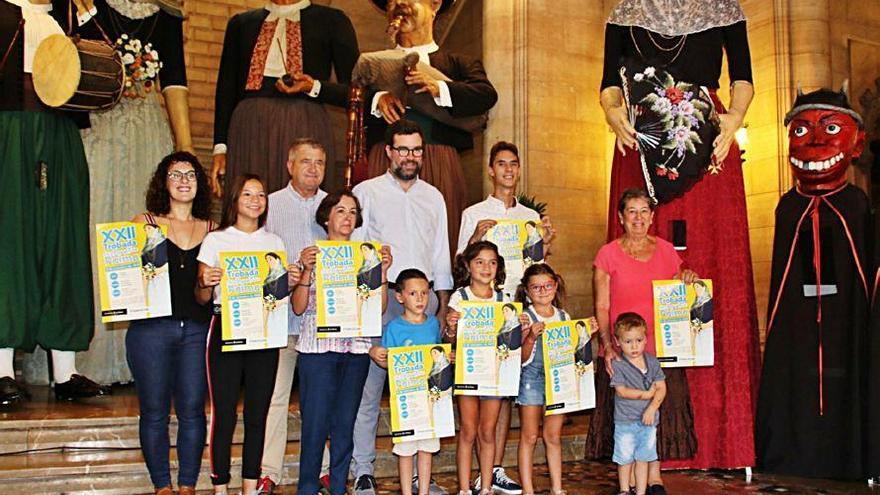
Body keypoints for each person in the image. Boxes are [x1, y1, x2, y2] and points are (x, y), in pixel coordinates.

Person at [597, 0, 760, 474]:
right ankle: (636, 444)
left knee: (713, 270)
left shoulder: (725, 9)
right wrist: (613, 113)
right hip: (640, 144)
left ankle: (722, 439)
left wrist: (734, 119)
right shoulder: (622, 13)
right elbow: (609, 82)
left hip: (708, 143)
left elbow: (743, 77)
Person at [58, 0, 194, 384]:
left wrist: (184, 153)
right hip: (98, 128)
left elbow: (176, 85)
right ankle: (82, 360)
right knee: (97, 232)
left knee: (149, 242)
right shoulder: (86, 4)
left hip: (149, 133)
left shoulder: (168, 16)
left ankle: (146, 360)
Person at [757, 87, 874, 480]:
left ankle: (851, 455)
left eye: (831, 128)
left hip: (846, 324)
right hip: (799, 323)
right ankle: (795, 454)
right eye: (803, 131)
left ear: (856, 144)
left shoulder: (856, 205)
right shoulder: (788, 207)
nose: (818, 141)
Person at [0, 0, 107, 406]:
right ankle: (2, 370)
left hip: (60, 130)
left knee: (65, 242)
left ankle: (65, 371)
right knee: (11, 241)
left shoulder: (67, 11)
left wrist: (84, 15)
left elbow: (105, 65)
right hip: (9, 129)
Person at [350, 119, 453, 495]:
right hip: (383, 300)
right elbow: (357, 254)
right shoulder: (367, 192)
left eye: (416, 150)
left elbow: (441, 253)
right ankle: (363, 470)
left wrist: (440, 308)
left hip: (425, 305)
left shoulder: (434, 196)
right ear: (389, 152)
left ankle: (418, 477)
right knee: (370, 390)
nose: (409, 156)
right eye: (403, 149)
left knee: (423, 391)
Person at [456, 141, 557, 494]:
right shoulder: (474, 212)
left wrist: (546, 243)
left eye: (514, 164)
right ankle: (486, 471)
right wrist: (476, 236)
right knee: (492, 390)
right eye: (501, 164)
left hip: (521, 307)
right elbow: (461, 261)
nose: (508, 171)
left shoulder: (530, 218)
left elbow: (537, 265)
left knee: (510, 389)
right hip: (487, 309)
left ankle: (495, 468)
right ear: (490, 170)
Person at [363, 0, 498, 255]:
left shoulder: (459, 63)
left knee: (441, 240)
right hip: (385, 159)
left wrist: (440, 88)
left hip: (439, 160)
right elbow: (351, 97)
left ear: (435, 5)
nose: (399, 3)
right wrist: (377, 98)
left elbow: (485, 95)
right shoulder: (374, 65)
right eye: (392, 0)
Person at [587, 188, 697, 494]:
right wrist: (607, 345)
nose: (638, 217)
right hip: (625, 350)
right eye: (631, 211)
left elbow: (679, 294)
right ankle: (631, 482)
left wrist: (688, 277)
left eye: (644, 211)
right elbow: (603, 305)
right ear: (621, 217)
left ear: (652, 217)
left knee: (659, 410)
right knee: (629, 415)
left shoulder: (666, 250)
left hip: (660, 347)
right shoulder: (607, 254)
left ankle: (655, 478)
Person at [196, 174, 299, 495]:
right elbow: (200, 297)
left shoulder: (275, 243)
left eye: (261, 194)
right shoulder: (216, 240)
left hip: (264, 334)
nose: (256, 200)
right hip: (226, 328)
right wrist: (205, 282)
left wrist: (291, 282)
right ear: (235, 200)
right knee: (223, 413)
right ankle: (220, 487)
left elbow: (276, 296)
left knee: (258, 413)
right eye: (248, 194)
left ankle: (250, 487)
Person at [127, 152, 215, 495]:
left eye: (190, 174)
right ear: (163, 182)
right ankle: (162, 486)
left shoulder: (213, 230)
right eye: (175, 174)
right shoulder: (142, 223)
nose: (183, 180)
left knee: (193, 410)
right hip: (150, 331)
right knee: (154, 411)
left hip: (197, 331)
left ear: (200, 184)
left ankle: (188, 485)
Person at [294, 190, 392, 495]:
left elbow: (379, 307)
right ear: (326, 217)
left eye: (352, 212)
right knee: (314, 427)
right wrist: (307, 271)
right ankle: (308, 489)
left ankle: (338, 487)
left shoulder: (367, 257)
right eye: (340, 210)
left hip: (356, 350)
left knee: (344, 426)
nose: (347, 217)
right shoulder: (312, 254)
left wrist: (384, 273)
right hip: (317, 350)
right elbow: (298, 307)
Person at [210, 0, 359, 197]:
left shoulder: (332, 20)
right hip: (250, 129)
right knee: (248, 200)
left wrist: (314, 86)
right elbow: (226, 90)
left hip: (305, 124)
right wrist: (220, 147)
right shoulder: (241, 23)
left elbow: (355, 92)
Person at [257, 137, 329, 493]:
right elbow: (256, 259)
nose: (313, 168)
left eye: (319, 162)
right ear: (290, 165)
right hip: (283, 319)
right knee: (276, 398)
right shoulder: (268, 205)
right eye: (305, 161)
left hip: (324, 324)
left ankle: (324, 468)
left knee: (321, 400)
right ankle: (269, 471)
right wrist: (284, 271)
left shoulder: (335, 208)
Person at [444, 241, 530, 495]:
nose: (486, 267)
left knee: (488, 431)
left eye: (492, 262)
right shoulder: (460, 297)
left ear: (498, 267)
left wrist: (521, 328)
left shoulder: (504, 299)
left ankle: (486, 486)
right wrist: (450, 327)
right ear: (468, 266)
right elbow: (451, 339)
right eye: (479, 262)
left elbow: (512, 342)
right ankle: (462, 488)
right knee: (468, 430)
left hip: (495, 374)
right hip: (468, 371)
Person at [369, 268, 444, 495]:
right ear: (400, 297)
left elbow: (437, 357)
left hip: (430, 399)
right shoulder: (393, 328)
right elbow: (389, 363)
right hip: (406, 399)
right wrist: (381, 358)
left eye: (424, 293)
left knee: (427, 448)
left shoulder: (432, 324)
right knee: (405, 448)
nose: (420, 298)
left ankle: (423, 490)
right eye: (413, 294)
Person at [513, 263, 573, 495]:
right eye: (536, 287)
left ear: (555, 286)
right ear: (527, 291)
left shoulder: (563, 316)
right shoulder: (525, 318)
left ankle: (557, 488)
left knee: (553, 435)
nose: (542, 291)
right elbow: (520, 358)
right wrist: (529, 338)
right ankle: (528, 489)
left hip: (558, 379)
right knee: (529, 435)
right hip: (531, 377)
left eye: (547, 285)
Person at [610, 313, 667, 495]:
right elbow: (622, 391)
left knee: (643, 458)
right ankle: (625, 490)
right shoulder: (618, 364)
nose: (634, 346)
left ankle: (641, 491)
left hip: (648, 421)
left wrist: (652, 408)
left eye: (638, 340)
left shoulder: (652, 361)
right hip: (626, 421)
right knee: (625, 459)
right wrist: (645, 395)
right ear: (618, 342)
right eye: (628, 342)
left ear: (645, 339)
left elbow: (662, 388)